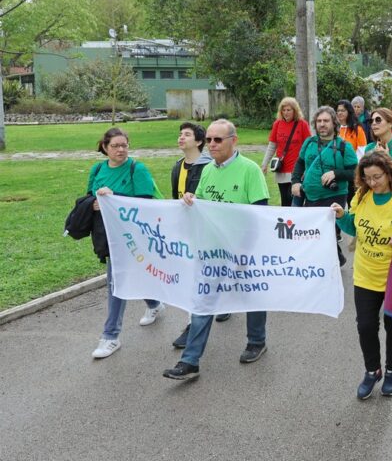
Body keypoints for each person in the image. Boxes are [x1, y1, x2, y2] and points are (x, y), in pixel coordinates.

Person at [163, 119, 271, 380]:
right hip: (211, 251)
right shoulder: (208, 170)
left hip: (242, 249)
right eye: (209, 139)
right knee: (203, 302)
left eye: (217, 140)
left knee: (251, 296)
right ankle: (190, 361)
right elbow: (202, 205)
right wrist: (191, 200)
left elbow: (260, 212)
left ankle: (256, 341)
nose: (211, 144)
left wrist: (247, 250)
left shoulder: (250, 170)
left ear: (234, 141)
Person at [332, 151, 392, 399]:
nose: (373, 183)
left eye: (377, 177)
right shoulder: (362, 196)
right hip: (365, 273)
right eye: (367, 178)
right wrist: (342, 217)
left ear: (389, 173)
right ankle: (372, 370)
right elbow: (354, 227)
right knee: (365, 326)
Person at [89, 128, 164, 359]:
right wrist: (95, 203)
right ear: (105, 147)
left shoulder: (137, 169)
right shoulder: (97, 169)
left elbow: (145, 203)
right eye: (115, 146)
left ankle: (110, 336)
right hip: (111, 235)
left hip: (135, 235)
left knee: (117, 280)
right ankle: (154, 303)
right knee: (125, 276)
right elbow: (89, 197)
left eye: (124, 145)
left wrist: (114, 198)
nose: (121, 150)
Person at [170, 122, 230, 349]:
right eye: (180, 135)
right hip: (189, 228)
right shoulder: (177, 166)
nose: (181, 138)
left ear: (197, 141)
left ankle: (196, 324)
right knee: (199, 277)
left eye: (187, 134)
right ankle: (205, 315)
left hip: (209, 231)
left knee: (212, 274)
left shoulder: (207, 166)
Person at [291, 106, 358, 265]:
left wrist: (336, 173)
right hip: (310, 196)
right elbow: (299, 164)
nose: (322, 124)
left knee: (327, 233)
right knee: (311, 233)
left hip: (333, 196)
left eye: (326, 121)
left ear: (334, 123)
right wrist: (295, 182)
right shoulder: (309, 143)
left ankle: (328, 266)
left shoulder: (344, 146)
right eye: (319, 121)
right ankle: (334, 260)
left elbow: (356, 173)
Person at [261, 97, 311, 206]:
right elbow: (272, 146)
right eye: (284, 110)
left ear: (295, 111)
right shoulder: (277, 124)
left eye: (289, 110)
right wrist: (264, 164)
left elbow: (309, 146)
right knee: (285, 201)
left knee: (295, 200)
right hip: (282, 169)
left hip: (297, 170)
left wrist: (307, 167)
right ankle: (286, 222)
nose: (286, 113)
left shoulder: (302, 124)